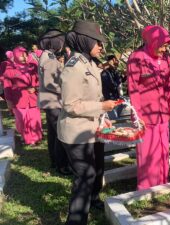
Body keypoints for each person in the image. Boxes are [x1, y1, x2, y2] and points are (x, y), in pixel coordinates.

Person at [57, 20, 116, 225]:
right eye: (98, 42)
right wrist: (102, 108)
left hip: (92, 128)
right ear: (85, 41)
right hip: (76, 132)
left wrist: (104, 117)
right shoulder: (74, 67)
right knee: (85, 175)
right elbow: (70, 105)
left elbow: (95, 96)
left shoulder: (90, 63)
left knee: (98, 168)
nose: (101, 46)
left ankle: (93, 199)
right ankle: (76, 219)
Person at [126, 25, 170, 190]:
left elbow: (169, 85)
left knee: (162, 149)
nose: (164, 49)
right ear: (153, 42)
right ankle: (147, 186)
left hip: (162, 114)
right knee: (148, 151)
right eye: (162, 45)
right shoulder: (136, 58)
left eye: (167, 45)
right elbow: (133, 89)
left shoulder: (166, 59)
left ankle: (163, 180)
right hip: (146, 116)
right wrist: (137, 116)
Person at [38, 29, 71, 175]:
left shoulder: (47, 55)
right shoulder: (50, 60)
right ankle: (62, 165)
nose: (62, 45)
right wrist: (66, 90)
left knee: (53, 134)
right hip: (53, 102)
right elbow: (50, 84)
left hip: (49, 102)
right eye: (61, 42)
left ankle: (54, 160)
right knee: (60, 134)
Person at [3, 46, 43, 145]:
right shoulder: (10, 70)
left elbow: (39, 80)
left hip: (33, 98)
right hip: (18, 99)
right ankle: (24, 135)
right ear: (16, 56)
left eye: (26, 55)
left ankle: (34, 138)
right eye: (21, 56)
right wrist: (9, 101)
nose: (25, 58)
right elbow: (7, 86)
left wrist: (35, 88)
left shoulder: (33, 67)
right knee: (21, 121)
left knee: (34, 118)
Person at [101, 54, 126, 120]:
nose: (118, 62)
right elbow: (113, 85)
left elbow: (121, 80)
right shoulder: (105, 73)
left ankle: (115, 118)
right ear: (113, 60)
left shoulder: (115, 71)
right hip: (109, 98)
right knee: (114, 119)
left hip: (115, 96)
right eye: (117, 60)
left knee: (123, 104)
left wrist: (125, 75)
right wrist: (119, 79)